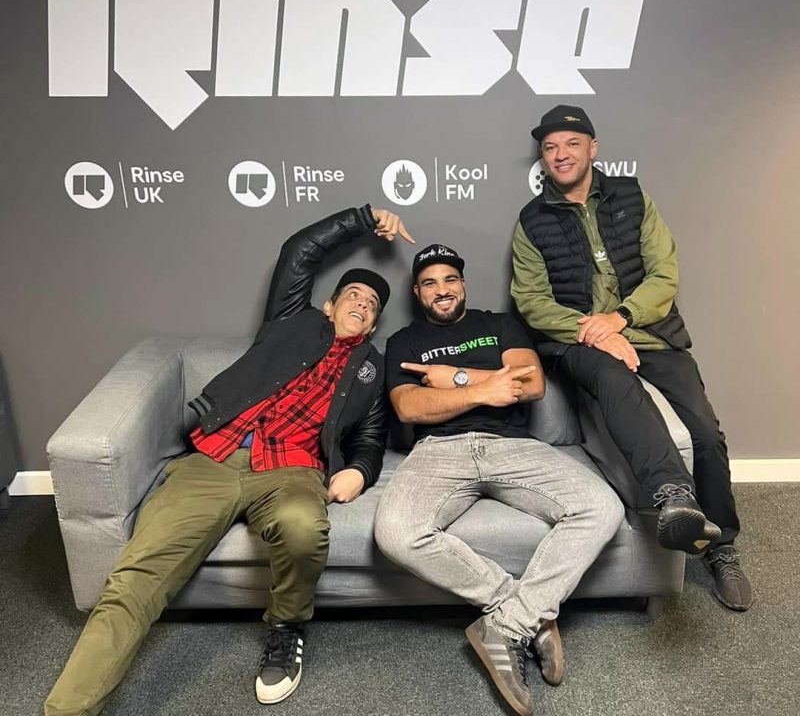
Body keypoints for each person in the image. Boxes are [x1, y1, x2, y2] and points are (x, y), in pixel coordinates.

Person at [45, 204, 415, 716]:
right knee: (135, 579)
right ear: (329, 306)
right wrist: (361, 218)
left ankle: (287, 627)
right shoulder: (292, 321)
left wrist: (360, 470)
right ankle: (67, 709)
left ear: (372, 325)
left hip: (292, 470)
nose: (362, 304)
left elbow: (371, 438)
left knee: (304, 527)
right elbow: (299, 252)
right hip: (215, 457)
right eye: (353, 294)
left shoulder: (371, 368)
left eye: (372, 305)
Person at [511, 104, 752, 611]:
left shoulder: (633, 197)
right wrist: (593, 331)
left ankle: (722, 547)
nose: (560, 155)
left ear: (592, 148)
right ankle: (673, 495)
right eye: (550, 148)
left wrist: (620, 319)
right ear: (543, 158)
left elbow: (665, 274)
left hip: (650, 332)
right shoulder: (531, 221)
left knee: (705, 433)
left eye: (571, 144)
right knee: (614, 380)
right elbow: (532, 302)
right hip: (577, 342)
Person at [374, 244, 624, 716]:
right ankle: (524, 612)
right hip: (439, 451)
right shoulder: (404, 341)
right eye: (429, 283)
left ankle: (506, 626)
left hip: (512, 446)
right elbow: (408, 407)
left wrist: (456, 379)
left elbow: (531, 384)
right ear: (418, 293)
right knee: (395, 532)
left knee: (602, 507)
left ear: (463, 284)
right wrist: (489, 387)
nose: (442, 289)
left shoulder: (499, 325)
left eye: (450, 279)